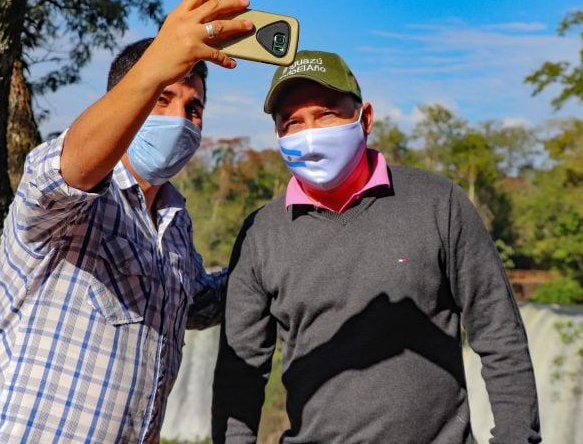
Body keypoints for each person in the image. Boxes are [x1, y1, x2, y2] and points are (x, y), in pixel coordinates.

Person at [0, 0, 255, 443]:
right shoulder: (65, 198)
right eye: (161, 98)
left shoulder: (175, 224)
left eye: (193, 109)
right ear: (126, 102)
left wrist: (275, 255)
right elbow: (69, 170)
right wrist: (157, 63)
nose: (181, 118)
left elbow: (196, 302)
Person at [211, 50, 541, 443]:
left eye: (327, 114)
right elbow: (240, 373)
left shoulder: (438, 203)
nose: (309, 131)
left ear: (364, 118)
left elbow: (499, 333)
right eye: (292, 122)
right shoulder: (261, 233)